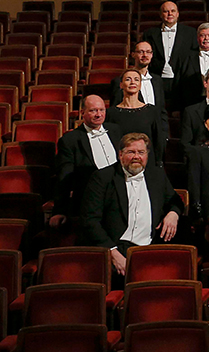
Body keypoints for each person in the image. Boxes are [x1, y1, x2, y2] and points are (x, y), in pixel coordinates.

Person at [79, 133, 183, 276]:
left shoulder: (156, 175)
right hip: (117, 248)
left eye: (141, 152)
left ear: (147, 155)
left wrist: (173, 214)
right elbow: (90, 221)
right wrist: (112, 253)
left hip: (150, 247)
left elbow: (175, 200)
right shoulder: (103, 178)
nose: (136, 157)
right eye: (131, 152)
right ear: (120, 154)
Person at [52, 95, 120, 228]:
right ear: (82, 113)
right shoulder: (70, 140)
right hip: (90, 203)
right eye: (93, 110)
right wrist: (60, 211)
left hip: (118, 199)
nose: (99, 114)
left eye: (102, 110)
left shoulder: (116, 130)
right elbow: (64, 177)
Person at [141, 1, 198, 108]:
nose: (169, 14)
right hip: (157, 79)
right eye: (166, 11)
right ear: (160, 14)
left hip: (182, 80)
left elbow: (193, 58)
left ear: (178, 14)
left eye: (173, 11)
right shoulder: (150, 33)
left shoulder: (190, 33)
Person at [110, 67, 169, 166]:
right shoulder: (111, 113)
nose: (133, 82)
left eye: (136, 79)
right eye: (128, 79)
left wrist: (158, 163)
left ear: (140, 85)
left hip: (148, 164)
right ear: (121, 85)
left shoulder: (151, 111)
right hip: (120, 164)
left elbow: (158, 140)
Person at [112, 41, 167, 109]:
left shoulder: (158, 80)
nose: (145, 55)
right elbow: (115, 109)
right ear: (133, 54)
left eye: (148, 52)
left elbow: (162, 109)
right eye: (141, 52)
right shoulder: (119, 81)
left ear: (152, 55)